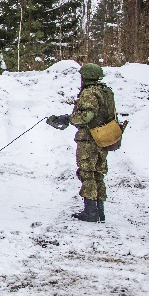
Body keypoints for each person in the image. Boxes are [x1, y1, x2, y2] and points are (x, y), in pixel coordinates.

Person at [47, 63, 118, 223]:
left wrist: (68, 119)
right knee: (98, 173)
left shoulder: (89, 93)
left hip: (89, 138)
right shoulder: (106, 91)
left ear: (85, 77)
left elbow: (86, 116)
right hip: (103, 137)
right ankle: (99, 211)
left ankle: (90, 212)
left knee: (87, 173)